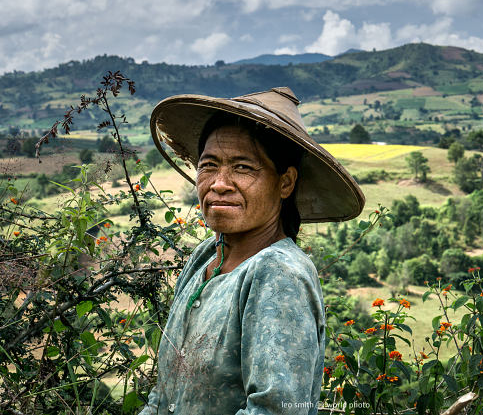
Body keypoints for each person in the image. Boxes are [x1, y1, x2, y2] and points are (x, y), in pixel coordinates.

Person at [140, 87, 364, 414]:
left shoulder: (278, 274)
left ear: (285, 183)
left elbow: (276, 410)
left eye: (242, 168)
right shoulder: (206, 256)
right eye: (209, 165)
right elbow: (164, 397)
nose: (219, 183)